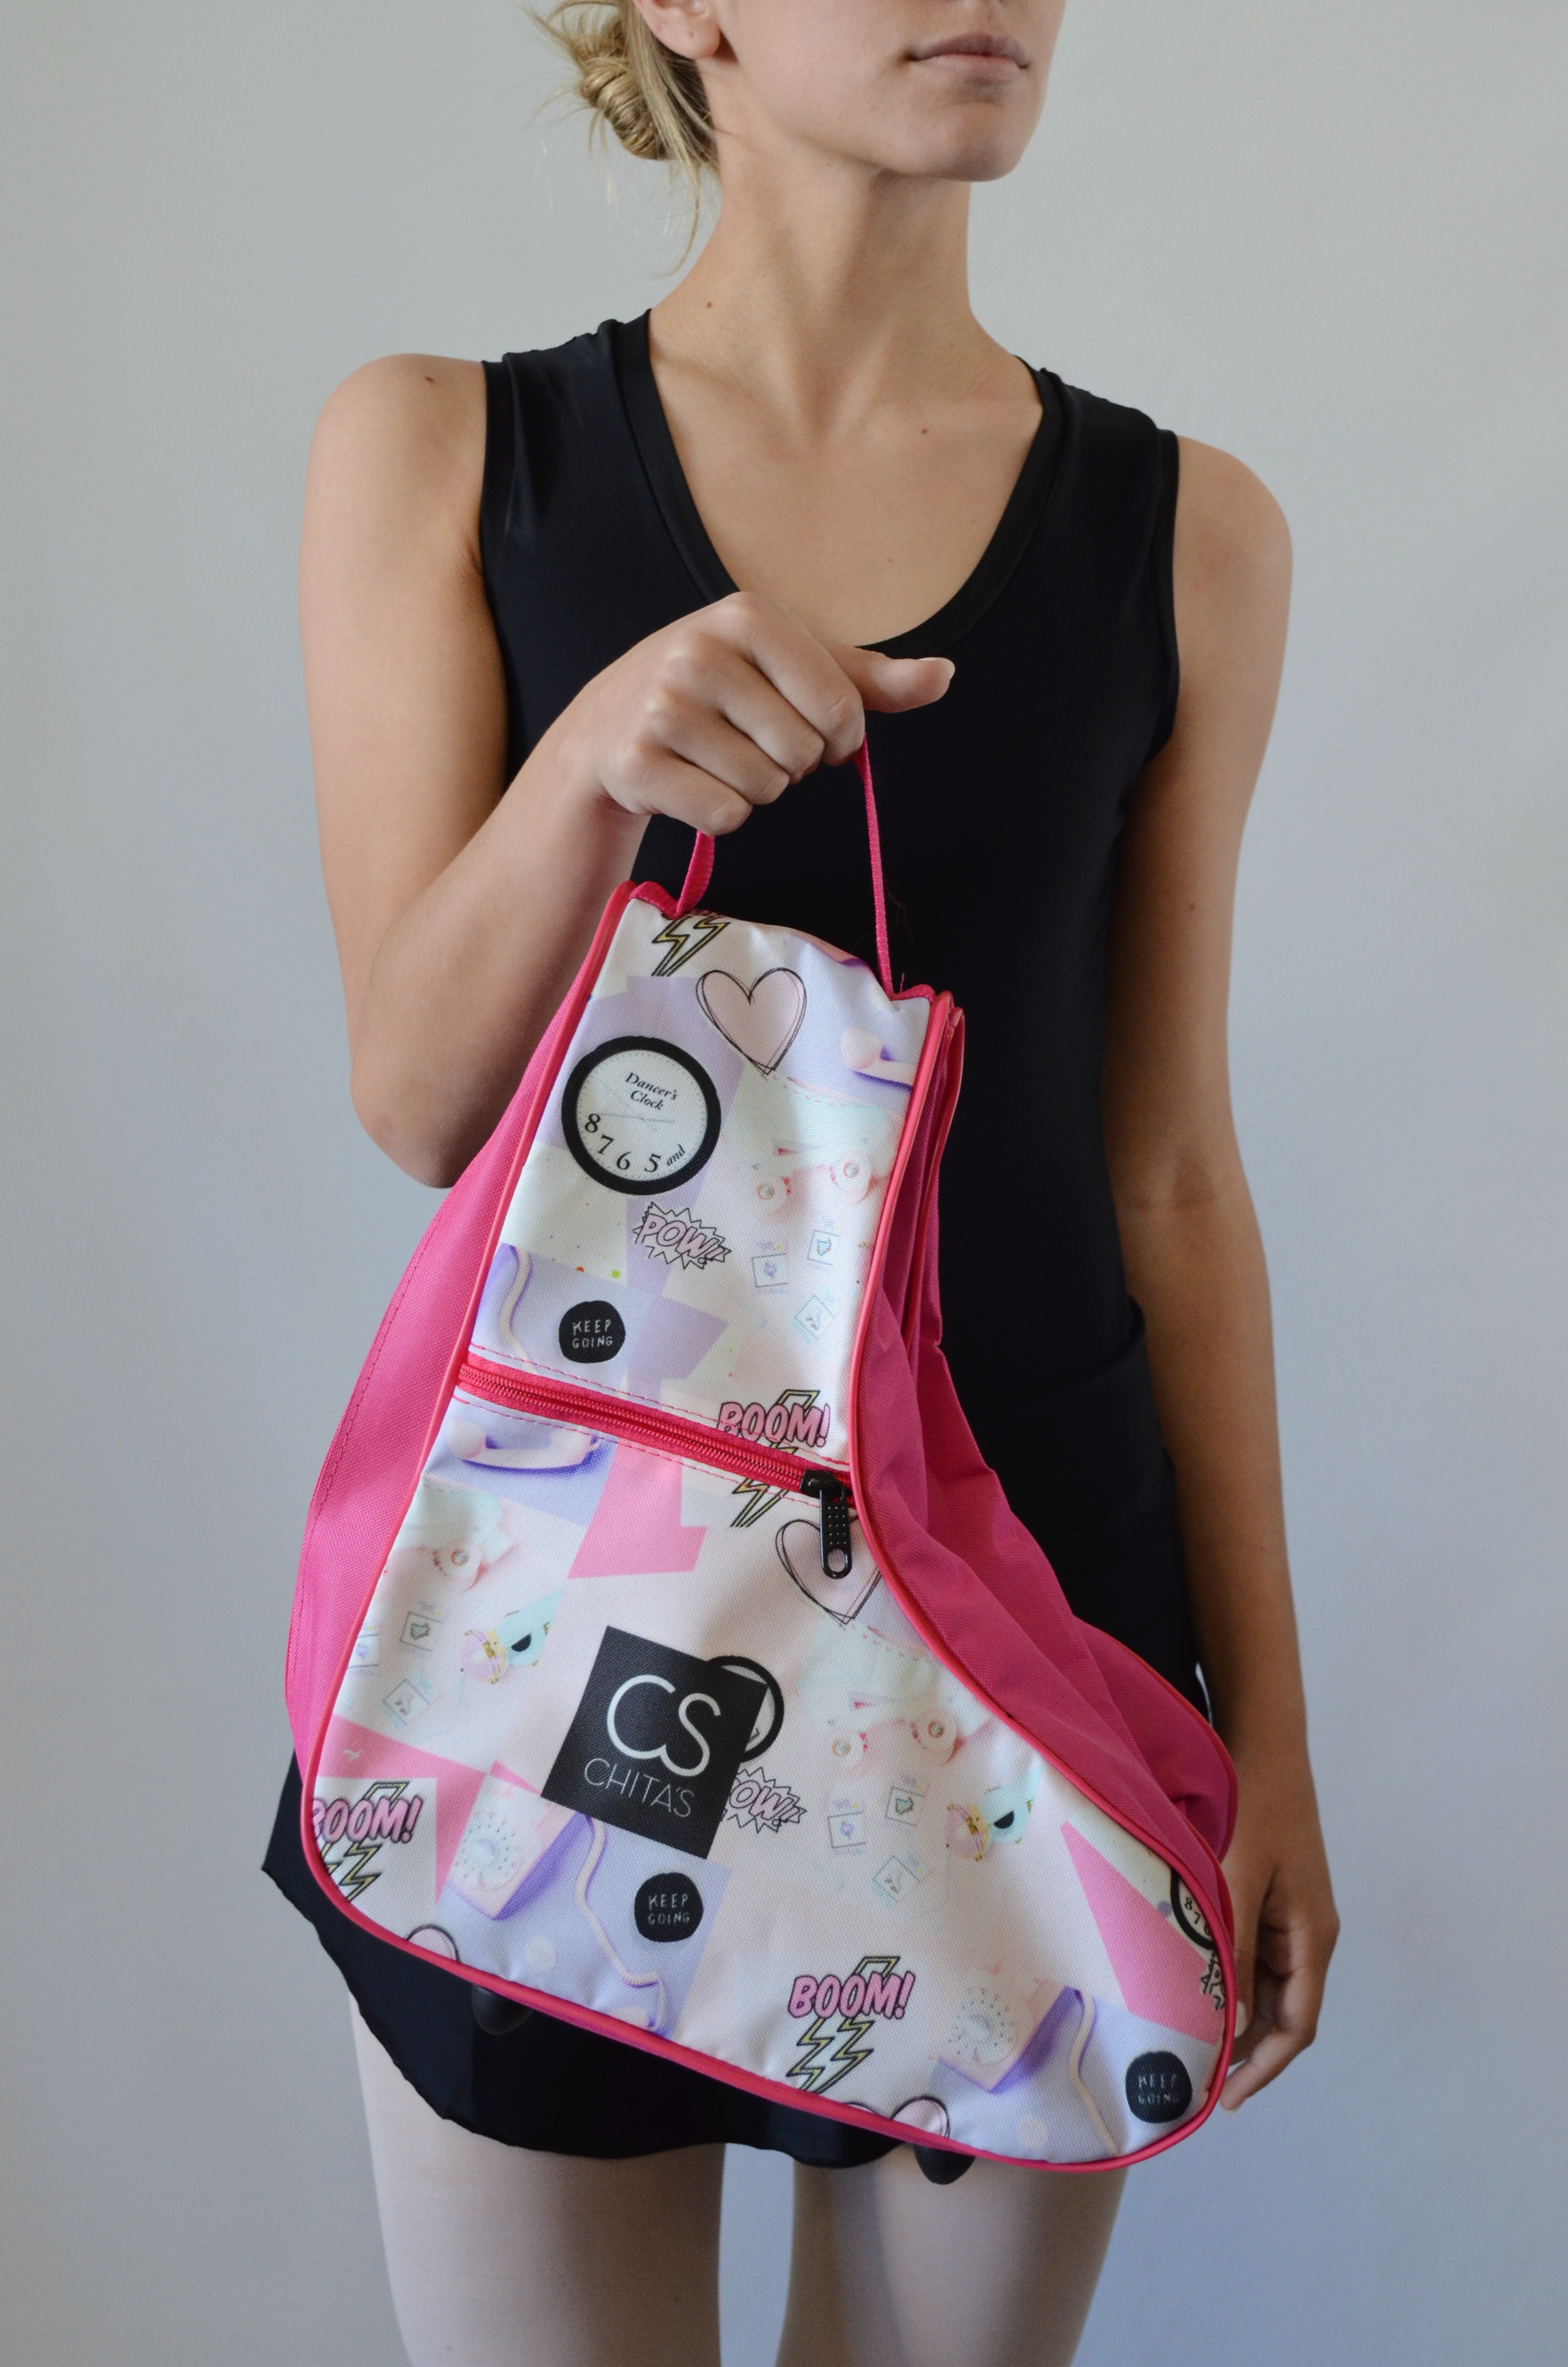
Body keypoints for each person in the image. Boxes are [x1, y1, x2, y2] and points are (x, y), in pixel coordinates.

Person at [264, 4, 1339, 2361]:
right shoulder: (444, 450)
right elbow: (418, 1097)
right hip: (558, 1606)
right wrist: (589, 765)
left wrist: (1263, 1726)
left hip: (1028, 1610)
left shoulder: (1193, 535)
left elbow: (1165, 1166)